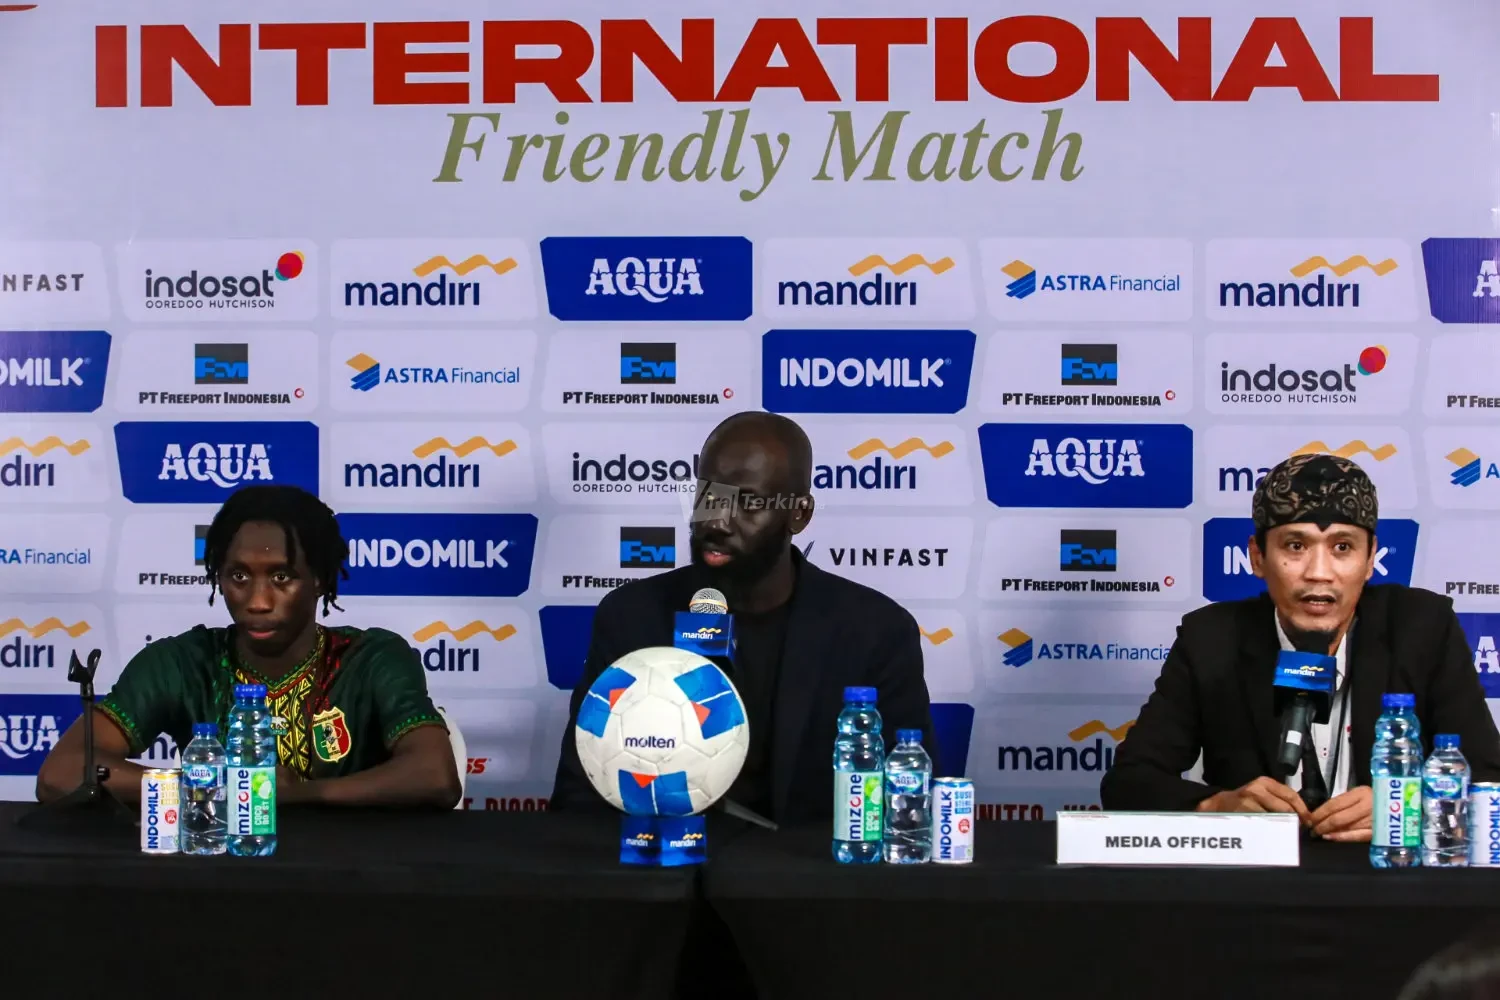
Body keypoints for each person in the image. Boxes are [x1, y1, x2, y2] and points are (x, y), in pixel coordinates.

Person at [549, 410, 939, 824]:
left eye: (748, 502)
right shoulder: (632, 617)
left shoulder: (874, 632)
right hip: (664, 859)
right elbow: (580, 797)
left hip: (806, 862)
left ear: (799, 514)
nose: (717, 521)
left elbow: (908, 807)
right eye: (708, 495)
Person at [1100, 453, 1500, 841]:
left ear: (1369, 560)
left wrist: (1403, 809)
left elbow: (1488, 778)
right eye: (1295, 546)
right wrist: (1216, 805)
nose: (1319, 573)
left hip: (1387, 874)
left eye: (1342, 547)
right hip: (1259, 879)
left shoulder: (1421, 629)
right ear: (1257, 557)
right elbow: (1128, 783)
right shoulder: (1212, 639)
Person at [35, 485, 461, 809]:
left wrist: (299, 794)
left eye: (281, 577)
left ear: (319, 580)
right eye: (239, 576)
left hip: (352, 877)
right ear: (218, 578)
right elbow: (62, 772)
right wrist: (212, 787)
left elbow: (435, 775)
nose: (257, 601)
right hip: (215, 878)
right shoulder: (182, 663)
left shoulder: (371, 658)